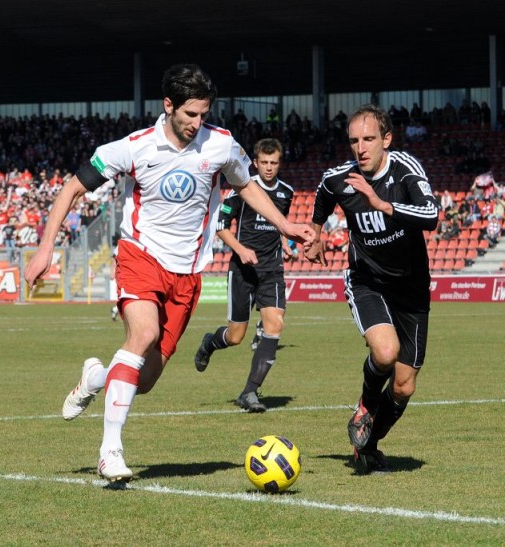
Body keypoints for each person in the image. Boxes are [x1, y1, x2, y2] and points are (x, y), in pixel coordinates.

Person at [24, 64, 313, 482]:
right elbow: (72, 187)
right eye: (190, 114)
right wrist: (46, 247)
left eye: (203, 114)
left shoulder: (222, 145)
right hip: (141, 257)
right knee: (141, 336)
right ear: (168, 106)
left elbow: (247, 184)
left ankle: (96, 378)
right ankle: (110, 451)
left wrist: (286, 225)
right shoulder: (134, 147)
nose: (198, 123)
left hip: (187, 272)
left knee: (144, 380)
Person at [305, 104, 439, 475]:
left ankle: (368, 445)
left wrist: (383, 204)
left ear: (386, 140)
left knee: (404, 387)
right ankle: (365, 404)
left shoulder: (405, 169)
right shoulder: (341, 178)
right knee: (385, 352)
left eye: (368, 139)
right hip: (367, 281)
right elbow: (322, 194)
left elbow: (431, 215)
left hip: (411, 289)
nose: (360, 148)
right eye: (353, 141)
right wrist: (316, 235)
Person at [193, 138, 295, 412]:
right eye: (264, 163)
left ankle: (249, 392)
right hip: (242, 270)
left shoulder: (287, 193)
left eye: (274, 163)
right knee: (236, 336)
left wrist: (286, 244)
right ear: (256, 162)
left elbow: (279, 225)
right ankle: (209, 343)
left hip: (271, 270)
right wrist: (240, 249)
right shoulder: (242, 190)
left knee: (274, 325)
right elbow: (221, 226)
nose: (269, 168)